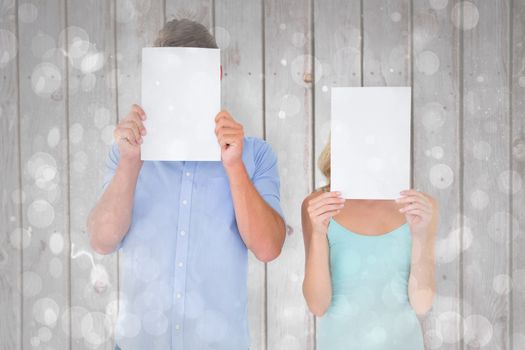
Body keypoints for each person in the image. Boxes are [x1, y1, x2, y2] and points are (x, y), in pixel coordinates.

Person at [86, 18, 287, 350]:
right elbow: (102, 241)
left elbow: (268, 249)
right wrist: (129, 163)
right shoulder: (127, 154)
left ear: (217, 77)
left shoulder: (256, 155)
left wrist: (234, 165)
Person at [301, 137, 438, 349]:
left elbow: (422, 304)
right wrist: (319, 232)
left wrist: (420, 234)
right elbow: (318, 305)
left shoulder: (420, 207)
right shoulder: (318, 205)